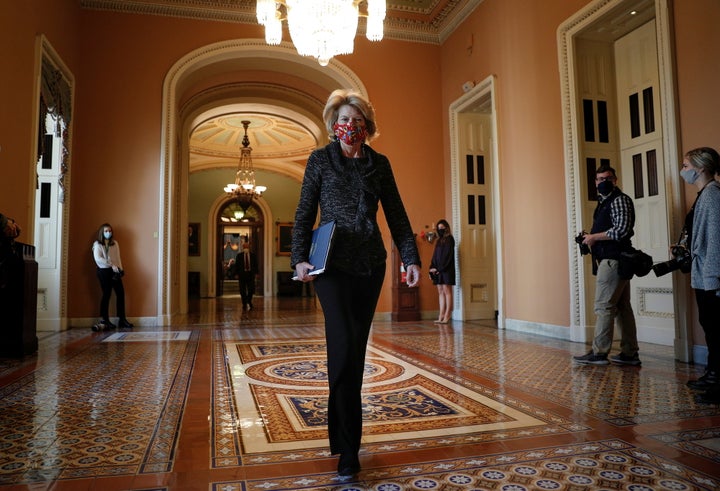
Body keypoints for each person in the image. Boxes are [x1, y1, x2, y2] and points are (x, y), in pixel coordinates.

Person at [291, 89, 420, 478]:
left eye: (358, 121)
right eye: (344, 120)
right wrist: (298, 257)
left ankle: (348, 442)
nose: (351, 126)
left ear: (367, 127)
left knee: (356, 352)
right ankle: (348, 450)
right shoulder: (320, 160)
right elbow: (303, 213)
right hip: (328, 264)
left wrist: (410, 257)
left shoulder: (379, 164)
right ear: (333, 126)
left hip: (369, 264)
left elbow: (396, 214)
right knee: (343, 344)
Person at [573, 165, 640, 366]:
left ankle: (599, 353)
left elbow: (621, 230)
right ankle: (629, 353)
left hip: (614, 259)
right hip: (609, 259)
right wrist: (590, 236)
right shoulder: (603, 202)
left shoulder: (620, 200)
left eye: (608, 178)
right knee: (621, 307)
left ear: (615, 180)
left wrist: (594, 237)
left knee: (604, 306)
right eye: (599, 179)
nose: (603, 182)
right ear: (595, 182)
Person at [679, 147, 720, 404]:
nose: (683, 171)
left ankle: (718, 382)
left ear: (700, 167)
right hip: (703, 271)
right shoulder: (704, 194)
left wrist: (714, 276)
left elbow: (715, 238)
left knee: (716, 328)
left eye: (686, 166)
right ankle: (713, 373)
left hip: (711, 274)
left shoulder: (713, 194)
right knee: (710, 326)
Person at [92, 223, 133, 330]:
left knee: (120, 293)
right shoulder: (97, 244)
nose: (108, 233)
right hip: (103, 271)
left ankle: (122, 319)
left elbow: (118, 257)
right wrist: (111, 264)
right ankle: (105, 320)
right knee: (107, 294)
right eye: (106, 231)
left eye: (110, 231)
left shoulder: (115, 243)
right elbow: (98, 258)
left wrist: (121, 269)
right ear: (102, 232)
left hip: (115, 271)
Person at [429, 219, 455, 324]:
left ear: (446, 228)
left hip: (446, 270)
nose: (440, 230)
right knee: (440, 291)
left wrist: (440, 269)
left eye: (442, 228)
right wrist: (432, 268)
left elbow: (448, 256)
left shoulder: (450, 239)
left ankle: (447, 314)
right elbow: (435, 256)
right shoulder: (438, 241)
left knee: (446, 290)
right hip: (437, 270)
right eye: (438, 228)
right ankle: (441, 315)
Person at [235, 240, 258, 311]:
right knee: (242, 290)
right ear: (243, 248)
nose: (246, 248)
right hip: (242, 275)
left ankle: (249, 300)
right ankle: (244, 303)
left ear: (249, 247)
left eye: (247, 247)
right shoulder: (239, 256)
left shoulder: (253, 255)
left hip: (250, 275)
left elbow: (255, 265)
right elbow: (237, 265)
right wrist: (236, 274)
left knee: (251, 289)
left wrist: (257, 273)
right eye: (244, 247)